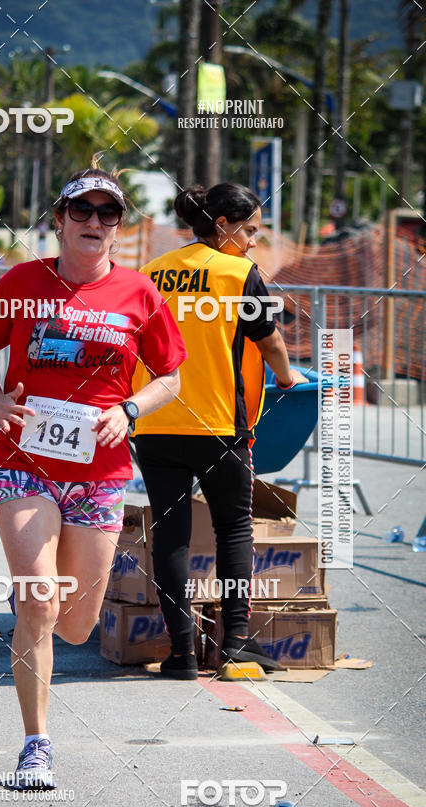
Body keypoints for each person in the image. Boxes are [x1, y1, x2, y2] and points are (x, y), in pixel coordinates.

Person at [0, 161, 186, 787]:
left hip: (100, 471)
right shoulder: (21, 281)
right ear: (59, 220)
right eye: (81, 211)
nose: (94, 222)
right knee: (40, 606)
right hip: (23, 461)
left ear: (118, 227)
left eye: (107, 213)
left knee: (77, 624)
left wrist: (129, 409)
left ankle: (34, 592)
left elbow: (171, 376)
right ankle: (36, 742)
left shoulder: (139, 294)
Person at [133, 182, 307, 680]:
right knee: (233, 528)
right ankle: (233, 645)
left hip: (154, 422)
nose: (254, 241)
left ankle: (181, 655)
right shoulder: (238, 273)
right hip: (217, 426)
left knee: (171, 534)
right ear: (224, 226)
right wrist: (287, 376)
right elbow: (270, 341)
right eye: (249, 230)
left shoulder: (151, 272)